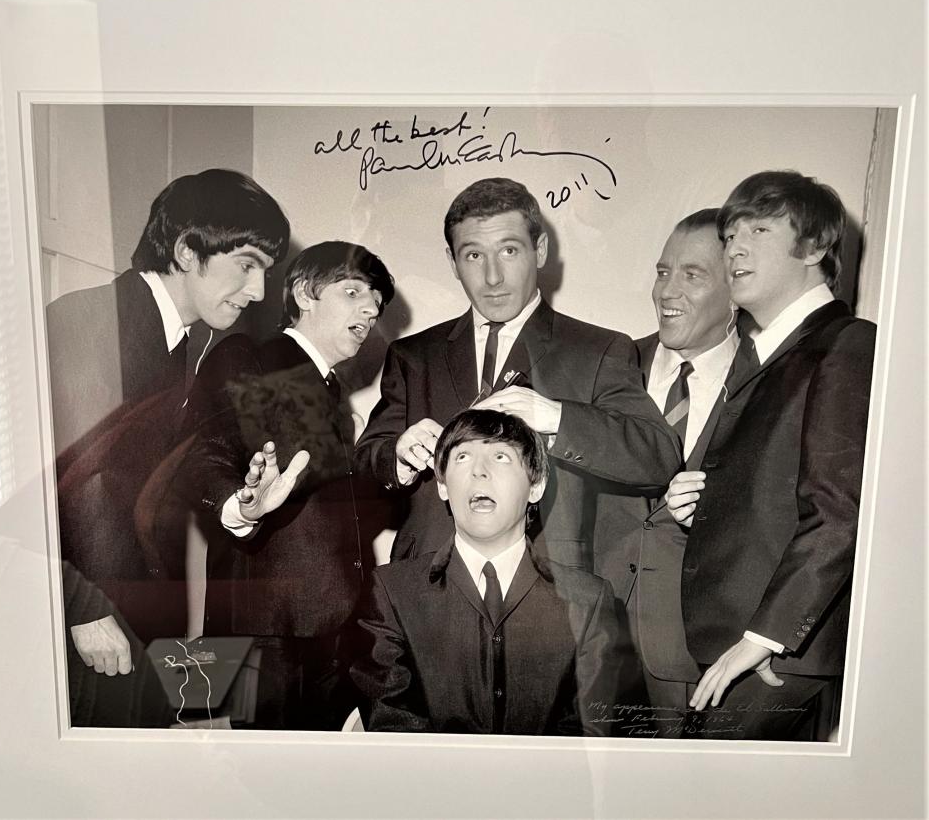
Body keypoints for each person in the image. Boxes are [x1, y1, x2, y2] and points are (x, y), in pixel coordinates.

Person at [47, 168, 291, 726]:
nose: (257, 292)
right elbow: (49, 485)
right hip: (87, 625)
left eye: (265, 271)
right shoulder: (90, 320)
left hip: (136, 627)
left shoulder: (181, 345)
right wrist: (82, 608)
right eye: (247, 264)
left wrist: (239, 505)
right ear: (186, 251)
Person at [355, 177, 680, 569]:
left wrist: (557, 417)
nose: (493, 277)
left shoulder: (599, 349)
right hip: (427, 590)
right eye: (474, 255)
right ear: (452, 262)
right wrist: (399, 457)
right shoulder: (412, 356)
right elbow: (363, 472)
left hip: (549, 595)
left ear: (539, 250)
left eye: (509, 251)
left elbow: (658, 458)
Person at [666, 171, 876, 740]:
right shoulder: (764, 352)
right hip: (741, 644)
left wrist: (763, 638)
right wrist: (697, 499)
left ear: (814, 247)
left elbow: (839, 511)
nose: (734, 247)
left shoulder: (847, 344)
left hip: (775, 654)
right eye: (730, 235)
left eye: (757, 229)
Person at [183, 241, 395, 730]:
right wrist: (239, 505)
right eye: (353, 292)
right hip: (266, 633)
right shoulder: (251, 355)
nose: (369, 309)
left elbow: (337, 506)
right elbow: (205, 453)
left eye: (376, 304)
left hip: (328, 630)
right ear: (304, 293)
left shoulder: (329, 390)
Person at [351, 409, 629, 735]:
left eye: (500, 456)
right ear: (442, 485)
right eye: (463, 457)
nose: (479, 472)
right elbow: (394, 734)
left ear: (536, 486)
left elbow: (591, 738)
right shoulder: (391, 594)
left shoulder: (589, 600)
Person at [600, 209, 738, 736]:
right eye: (662, 272)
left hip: (695, 652)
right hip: (590, 640)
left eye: (692, 274)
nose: (666, 291)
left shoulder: (765, 384)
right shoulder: (608, 364)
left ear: (735, 286)